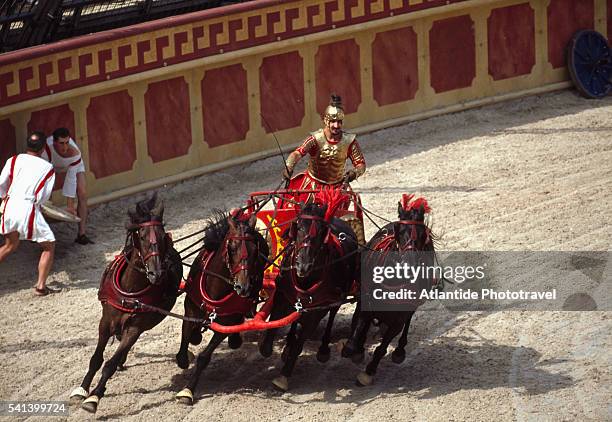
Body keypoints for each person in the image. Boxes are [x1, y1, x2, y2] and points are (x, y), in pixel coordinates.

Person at [0, 132, 58, 296]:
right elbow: (43, 197)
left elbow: (1, 185)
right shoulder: (48, 168)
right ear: (42, 149)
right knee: (49, 246)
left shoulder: (13, 160)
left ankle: (41, 285)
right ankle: (40, 286)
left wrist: (5, 197)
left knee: (9, 245)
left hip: (9, 205)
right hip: (27, 207)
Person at [282, 94, 366, 189]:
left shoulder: (349, 142)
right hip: (313, 186)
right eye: (333, 121)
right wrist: (289, 166)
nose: (336, 125)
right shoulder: (315, 139)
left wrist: (354, 174)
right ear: (326, 121)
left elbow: (361, 164)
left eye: (339, 122)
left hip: (337, 187)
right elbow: (297, 153)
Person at [42, 127, 93, 244]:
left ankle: (81, 234)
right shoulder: (46, 149)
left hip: (72, 165)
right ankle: (40, 232)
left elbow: (71, 180)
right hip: (51, 164)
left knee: (82, 192)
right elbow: (44, 176)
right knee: (43, 194)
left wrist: (70, 207)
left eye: (67, 142)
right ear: (54, 142)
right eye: (61, 143)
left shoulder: (74, 153)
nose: (65, 147)